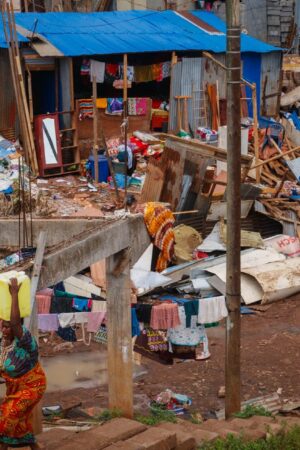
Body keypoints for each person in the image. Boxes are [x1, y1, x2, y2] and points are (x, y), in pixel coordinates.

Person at [0, 278, 46, 449]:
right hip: (15, 389)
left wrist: (14, 294)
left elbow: (15, 322)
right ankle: (34, 445)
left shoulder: (25, 341)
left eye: (8, 327)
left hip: (33, 386)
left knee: (8, 415)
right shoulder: (1, 343)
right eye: (2, 326)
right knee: (17, 419)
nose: (5, 330)